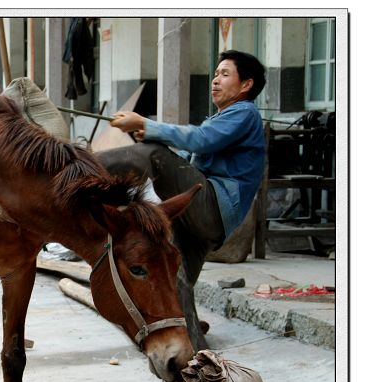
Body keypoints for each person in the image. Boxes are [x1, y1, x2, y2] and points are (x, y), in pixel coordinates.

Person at [105, 50, 266, 350]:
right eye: (216, 74)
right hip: (208, 217)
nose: (216, 81)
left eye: (225, 74)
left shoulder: (244, 112)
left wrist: (147, 125)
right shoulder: (225, 117)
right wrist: (149, 132)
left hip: (213, 205)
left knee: (152, 154)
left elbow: (201, 139)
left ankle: (76, 166)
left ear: (246, 85)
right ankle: (196, 351)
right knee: (177, 281)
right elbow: (195, 156)